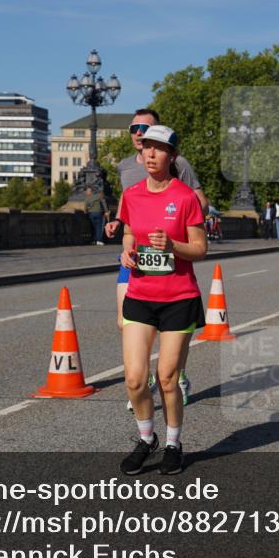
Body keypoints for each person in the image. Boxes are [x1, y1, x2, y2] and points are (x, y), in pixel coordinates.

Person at [117, 125, 207, 476]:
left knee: (167, 378)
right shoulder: (132, 195)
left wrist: (172, 246)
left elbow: (200, 248)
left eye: (159, 148)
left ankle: (173, 444)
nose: (151, 153)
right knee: (135, 380)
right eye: (146, 148)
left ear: (172, 156)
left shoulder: (185, 197)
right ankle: (146, 439)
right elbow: (128, 233)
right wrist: (127, 252)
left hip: (178, 298)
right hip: (140, 295)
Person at [105, 108, 206, 408]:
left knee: (170, 347)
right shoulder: (125, 166)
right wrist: (122, 233)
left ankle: (174, 374)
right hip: (138, 261)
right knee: (124, 323)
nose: (139, 133)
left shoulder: (179, 165)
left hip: (172, 267)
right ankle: (141, 379)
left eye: (145, 129)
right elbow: (128, 215)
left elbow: (198, 200)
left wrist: (182, 219)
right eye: (135, 129)